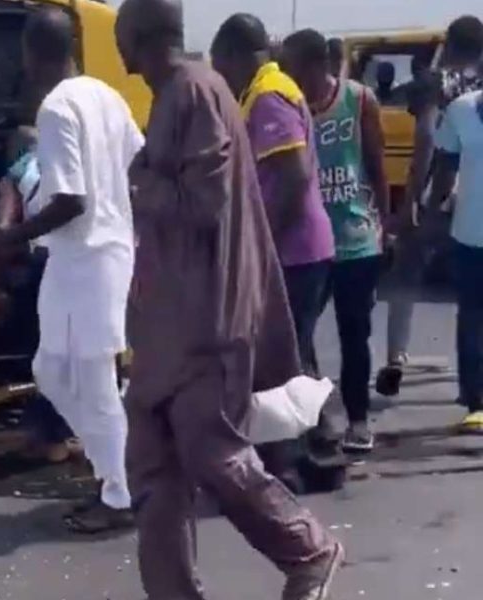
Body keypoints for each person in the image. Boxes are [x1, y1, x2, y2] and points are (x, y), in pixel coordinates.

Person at [115, 1, 342, 598]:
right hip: (168, 325)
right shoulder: (181, 93)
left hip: (203, 322)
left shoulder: (193, 90)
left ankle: (307, 548)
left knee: (212, 452)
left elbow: (203, 204)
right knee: (153, 469)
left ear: (133, 36)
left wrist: (139, 178)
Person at [0, 8, 142, 533]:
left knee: (91, 383)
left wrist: (5, 238)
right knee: (53, 372)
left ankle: (121, 494)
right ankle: (118, 469)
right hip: (95, 257)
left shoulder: (55, 108)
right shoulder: (107, 96)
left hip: (87, 260)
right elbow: (139, 167)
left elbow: (70, 200)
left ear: (31, 52)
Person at [282, 29, 390, 454]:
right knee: (298, 335)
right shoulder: (288, 105)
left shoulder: (359, 100)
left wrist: (388, 224)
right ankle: (317, 418)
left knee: (354, 334)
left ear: (317, 65)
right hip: (308, 243)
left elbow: (376, 164)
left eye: (293, 66)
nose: (287, 75)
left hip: (356, 240)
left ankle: (358, 420)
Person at [211, 14, 335, 379]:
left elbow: (293, 177)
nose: (223, 81)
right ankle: (317, 430)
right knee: (296, 352)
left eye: (221, 68)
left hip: (294, 250)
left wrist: (261, 243)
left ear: (236, 55)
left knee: (283, 360)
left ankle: (299, 434)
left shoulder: (268, 96)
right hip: (300, 248)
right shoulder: (265, 90)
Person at [378, 16, 483, 397]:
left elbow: (425, 141)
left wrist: (409, 204)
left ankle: (395, 358)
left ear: (449, 45)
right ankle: (469, 374)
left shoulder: (432, 83)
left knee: (406, 274)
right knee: (471, 295)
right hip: (472, 200)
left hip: (433, 194)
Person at [0, 126, 78, 463]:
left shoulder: (18, 173)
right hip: (83, 266)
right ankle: (72, 434)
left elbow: (3, 229)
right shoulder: (73, 164)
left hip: (43, 267)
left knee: (45, 355)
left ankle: (49, 440)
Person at [426, 15, 483, 432]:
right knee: (472, 316)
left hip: (468, 231)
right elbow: (444, 167)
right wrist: (431, 215)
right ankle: (475, 399)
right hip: (471, 235)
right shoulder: (461, 110)